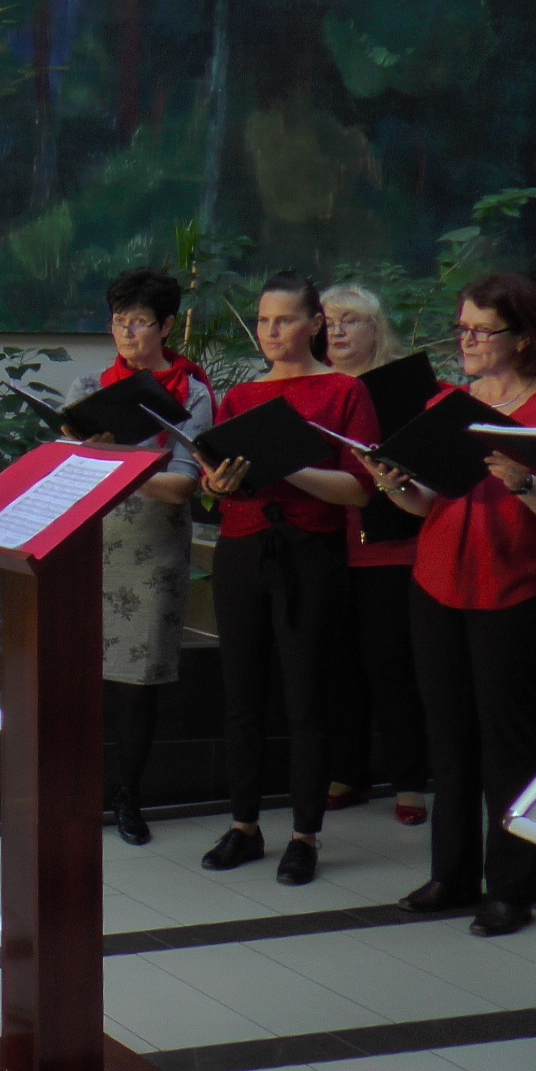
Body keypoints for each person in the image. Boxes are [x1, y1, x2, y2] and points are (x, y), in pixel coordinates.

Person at [363, 273, 536, 937]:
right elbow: (429, 502)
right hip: (438, 582)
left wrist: (524, 483)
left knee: (508, 741)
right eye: (463, 328)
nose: (468, 341)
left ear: (523, 337)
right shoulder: (447, 403)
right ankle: (451, 875)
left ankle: (513, 887)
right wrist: (393, 486)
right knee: (448, 735)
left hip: (513, 588)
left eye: (483, 331)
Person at [196, 271, 376, 887]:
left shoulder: (344, 390)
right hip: (242, 549)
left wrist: (285, 466)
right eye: (264, 321)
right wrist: (218, 483)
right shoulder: (242, 396)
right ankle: (243, 824)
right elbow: (219, 484)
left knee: (306, 697)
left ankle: (305, 834)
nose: (272, 332)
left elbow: (360, 487)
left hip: (310, 552)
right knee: (241, 696)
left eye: (285, 320)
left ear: (315, 324)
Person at [62, 269, 215, 846]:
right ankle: (73, 791)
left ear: (167, 325)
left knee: (138, 681)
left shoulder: (191, 393)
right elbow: (66, 469)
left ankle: (127, 796)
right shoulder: (87, 386)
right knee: (78, 676)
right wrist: (91, 460)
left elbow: (183, 485)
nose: (127, 332)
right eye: (119, 321)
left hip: (152, 550)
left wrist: (113, 462)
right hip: (87, 545)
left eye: (141, 322)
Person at [318, 283, 431, 825]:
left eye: (350, 320)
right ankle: (348, 770)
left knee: (391, 664)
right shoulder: (315, 387)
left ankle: (409, 781)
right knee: (339, 665)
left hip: (390, 546)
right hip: (327, 543)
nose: (337, 331)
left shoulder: (404, 390)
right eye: (328, 321)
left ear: (375, 329)